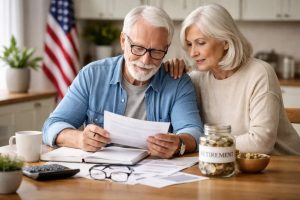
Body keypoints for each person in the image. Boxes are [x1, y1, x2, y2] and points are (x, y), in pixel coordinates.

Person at [42, 5, 203, 159]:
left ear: (166, 49)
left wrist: (179, 143)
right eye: (138, 48)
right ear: (123, 41)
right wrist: (79, 139)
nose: (146, 60)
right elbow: (52, 126)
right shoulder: (92, 75)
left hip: (156, 177)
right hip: (100, 176)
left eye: (156, 51)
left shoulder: (177, 81)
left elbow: (193, 131)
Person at [164, 4, 300, 155]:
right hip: (226, 164)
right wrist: (169, 74)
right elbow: (180, 127)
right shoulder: (195, 79)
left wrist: (199, 143)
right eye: (189, 44)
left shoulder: (259, 73)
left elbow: (260, 143)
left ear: (225, 42)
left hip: (282, 165)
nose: (193, 52)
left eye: (201, 43)